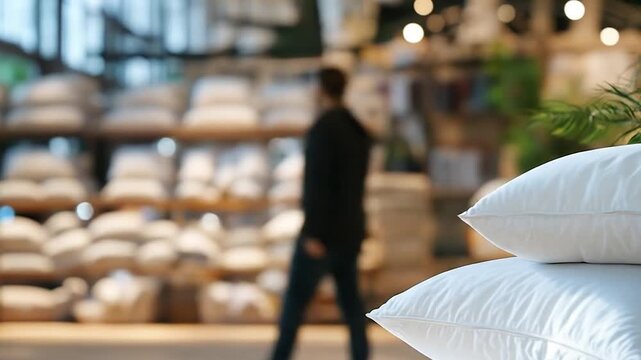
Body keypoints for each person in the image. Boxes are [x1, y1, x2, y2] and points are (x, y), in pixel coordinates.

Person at [270, 67, 372, 360]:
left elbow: (316, 185)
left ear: (320, 90)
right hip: (350, 232)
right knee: (352, 306)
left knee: (293, 306)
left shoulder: (323, 129)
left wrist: (312, 233)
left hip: (322, 236)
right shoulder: (357, 129)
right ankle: (361, 355)